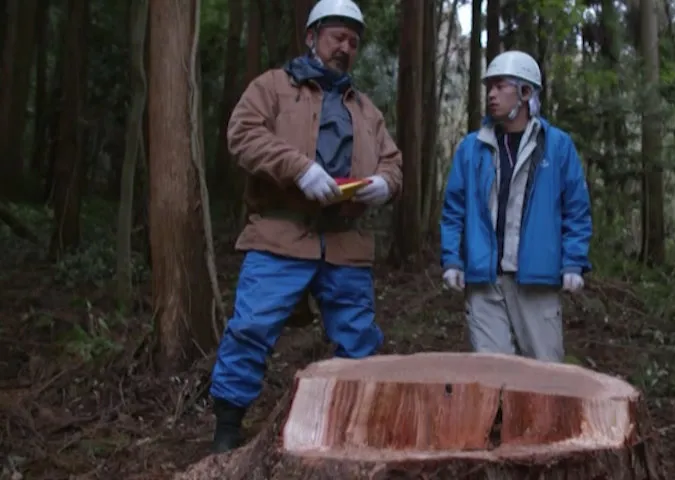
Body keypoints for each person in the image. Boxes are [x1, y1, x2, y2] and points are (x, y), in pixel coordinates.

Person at [208, 0, 402, 453]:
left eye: (353, 42)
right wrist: (298, 168)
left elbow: (394, 164)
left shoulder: (367, 110)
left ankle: (357, 435)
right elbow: (242, 133)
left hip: (345, 243)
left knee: (358, 340)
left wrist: (383, 185)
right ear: (312, 37)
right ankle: (226, 433)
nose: (345, 48)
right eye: (337, 37)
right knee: (251, 328)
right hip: (281, 234)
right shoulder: (273, 87)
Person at [439, 50, 592, 364]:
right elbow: (453, 210)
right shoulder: (472, 148)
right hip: (484, 281)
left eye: (500, 86)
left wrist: (573, 262)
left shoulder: (557, 146)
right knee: (494, 378)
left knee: (545, 377)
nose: (491, 94)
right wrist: (452, 259)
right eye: (489, 88)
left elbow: (576, 210)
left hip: (536, 281)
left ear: (526, 92)